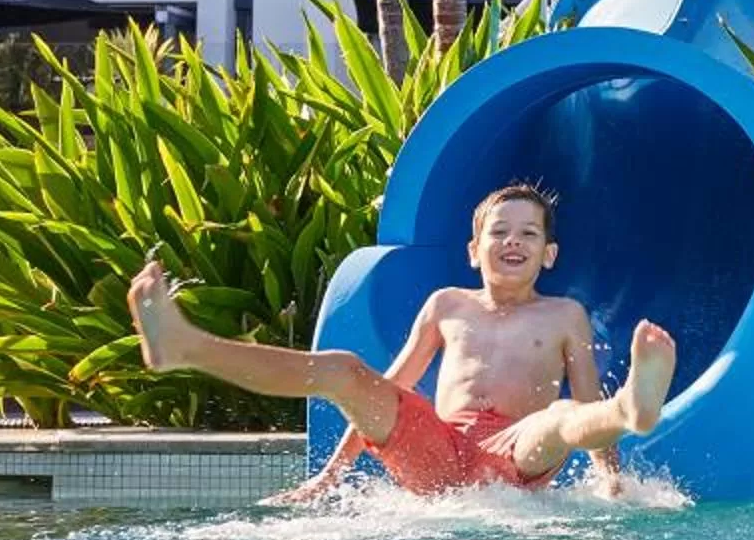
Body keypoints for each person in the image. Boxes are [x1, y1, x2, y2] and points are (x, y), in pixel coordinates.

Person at [125, 183, 674, 500]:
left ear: (548, 255)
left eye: (529, 233)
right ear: (472, 250)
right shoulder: (446, 305)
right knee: (343, 370)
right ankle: (186, 347)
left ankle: (629, 407)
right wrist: (329, 475)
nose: (513, 241)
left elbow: (580, 400)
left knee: (559, 416)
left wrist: (609, 475)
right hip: (438, 451)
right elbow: (388, 393)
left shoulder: (564, 314)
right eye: (499, 232)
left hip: (516, 451)